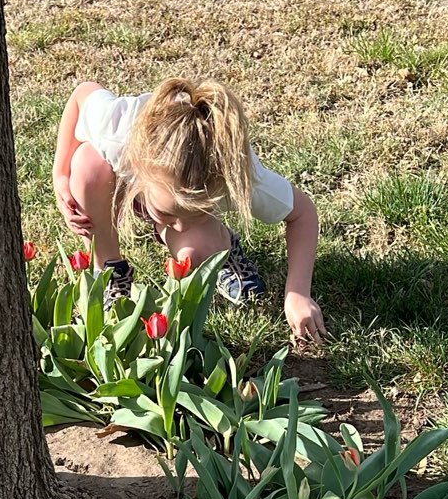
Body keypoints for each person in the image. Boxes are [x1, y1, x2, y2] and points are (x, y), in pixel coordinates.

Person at [52, 77, 326, 343]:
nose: (179, 226)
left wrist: (298, 293)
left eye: (194, 213)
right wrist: (60, 174)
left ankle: (222, 249)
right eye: (169, 214)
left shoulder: (239, 176)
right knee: (86, 167)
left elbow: (302, 214)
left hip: (160, 192)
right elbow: (82, 93)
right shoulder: (116, 128)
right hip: (124, 179)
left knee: (195, 251)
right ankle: (110, 271)